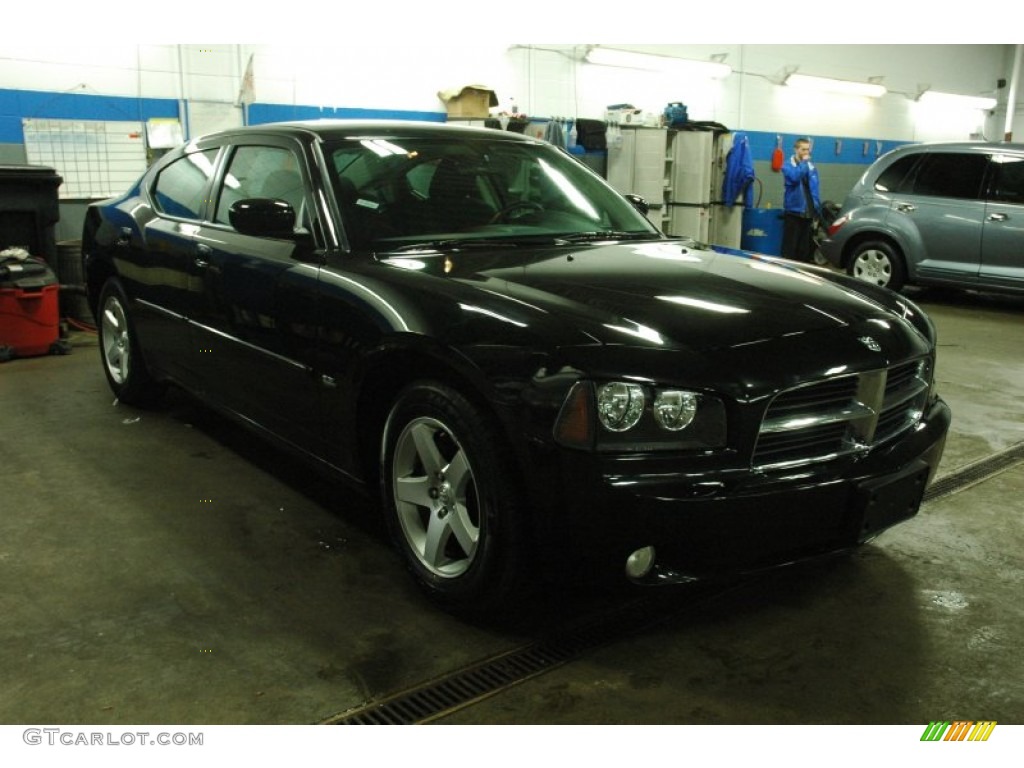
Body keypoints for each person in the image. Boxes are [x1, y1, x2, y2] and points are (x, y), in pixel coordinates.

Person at [781, 137, 821, 262]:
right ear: (796, 149)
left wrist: (816, 208)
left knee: (804, 249)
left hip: (808, 212)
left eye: (808, 149)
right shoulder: (787, 165)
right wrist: (804, 163)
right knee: (790, 248)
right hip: (794, 212)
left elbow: (814, 189)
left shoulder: (811, 167)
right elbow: (794, 177)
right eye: (803, 149)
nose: (806, 152)